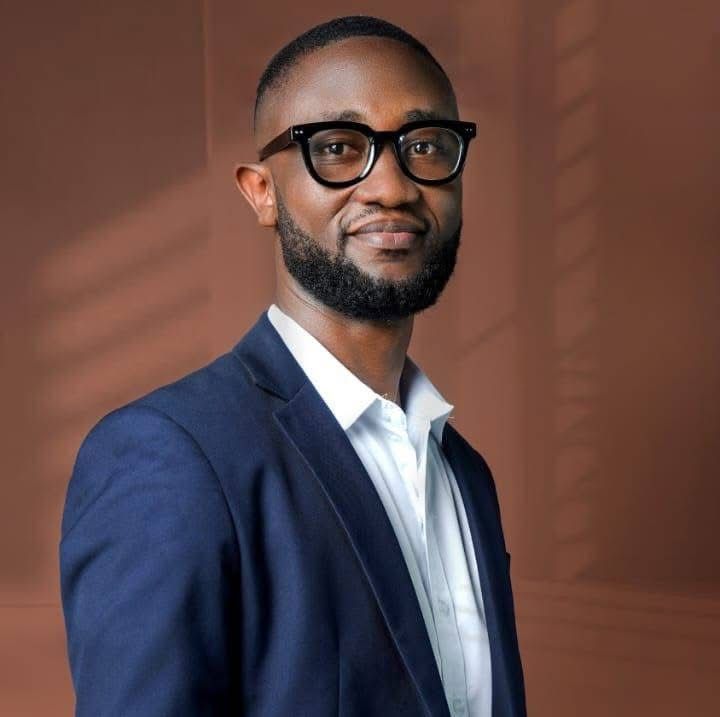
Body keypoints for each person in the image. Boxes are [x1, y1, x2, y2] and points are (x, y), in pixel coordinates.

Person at [59, 15, 527, 717]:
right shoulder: (169, 456)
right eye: (338, 147)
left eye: (425, 146)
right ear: (261, 191)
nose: (392, 186)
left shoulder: (465, 475)